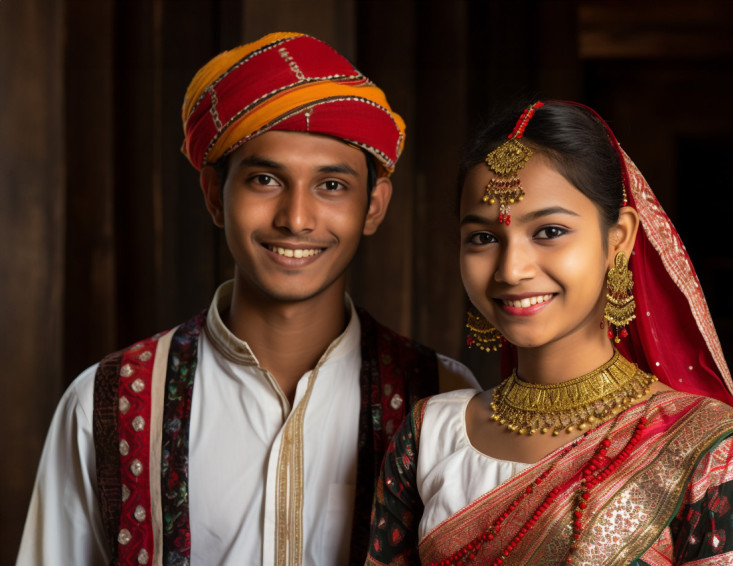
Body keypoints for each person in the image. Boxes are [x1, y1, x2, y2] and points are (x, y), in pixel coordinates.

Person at [16, 32, 476, 566]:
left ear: (374, 206)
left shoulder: (444, 403)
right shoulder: (105, 402)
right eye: (265, 179)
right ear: (215, 196)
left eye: (331, 186)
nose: (296, 218)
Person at [366, 100, 733, 565]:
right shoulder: (430, 433)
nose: (511, 270)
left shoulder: (706, 450)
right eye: (484, 238)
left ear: (620, 239)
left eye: (549, 231)